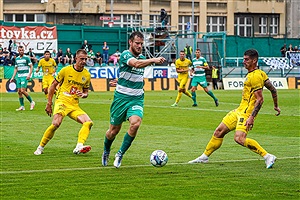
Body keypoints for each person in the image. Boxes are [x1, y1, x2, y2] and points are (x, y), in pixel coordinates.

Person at [188, 49, 281, 169]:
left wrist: (251, 117)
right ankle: (204, 157)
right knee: (219, 131)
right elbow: (273, 89)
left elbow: (260, 99)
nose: (244, 61)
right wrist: (276, 105)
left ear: (254, 60)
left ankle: (267, 156)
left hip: (246, 113)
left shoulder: (255, 76)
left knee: (239, 138)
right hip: (239, 110)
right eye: (243, 59)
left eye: (246, 59)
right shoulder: (260, 73)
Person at [101, 31, 166, 168]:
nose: (139, 46)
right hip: (121, 99)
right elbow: (135, 64)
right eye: (137, 43)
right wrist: (153, 60)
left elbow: (138, 76)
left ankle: (120, 153)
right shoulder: (125, 55)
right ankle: (106, 150)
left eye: (141, 44)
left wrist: (123, 80)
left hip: (136, 99)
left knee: (135, 124)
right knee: (113, 131)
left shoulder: (142, 58)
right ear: (130, 42)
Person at [34, 49, 93, 155]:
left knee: (88, 122)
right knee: (56, 123)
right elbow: (53, 86)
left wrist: (83, 95)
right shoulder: (66, 70)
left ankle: (79, 146)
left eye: (85, 59)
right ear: (76, 58)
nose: (84, 61)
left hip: (74, 105)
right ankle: (40, 147)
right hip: (62, 101)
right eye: (81, 59)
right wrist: (49, 103)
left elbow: (85, 92)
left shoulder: (87, 75)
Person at [10, 46, 35, 111]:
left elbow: (31, 66)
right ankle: (22, 106)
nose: (21, 51)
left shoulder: (26, 58)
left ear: (24, 51)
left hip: (25, 76)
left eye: (22, 50)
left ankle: (32, 102)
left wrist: (29, 74)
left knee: (22, 90)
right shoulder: (17, 59)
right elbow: (16, 68)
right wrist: (13, 77)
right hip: (19, 76)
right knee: (19, 92)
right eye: (20, 50)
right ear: (18, 51)